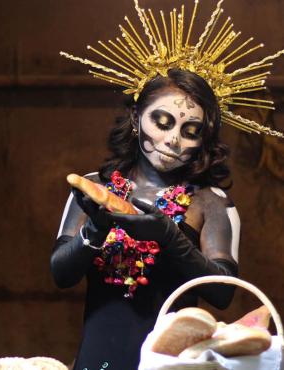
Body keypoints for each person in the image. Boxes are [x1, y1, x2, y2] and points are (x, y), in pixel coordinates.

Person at [53, 1, 284, 369]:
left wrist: (168, 235)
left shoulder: (211, 203)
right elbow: (61, 274)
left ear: (204, 139)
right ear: (135, 118)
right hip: (97, 358)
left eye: (190, 131)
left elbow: (223, 293)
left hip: (172, 363)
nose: (173, 140)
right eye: (162, 122)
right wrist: (94, 230)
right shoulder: (94, 187)